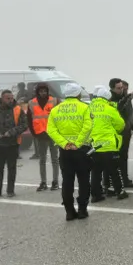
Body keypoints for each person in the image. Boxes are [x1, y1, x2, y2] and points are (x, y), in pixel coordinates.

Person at [46, 83, 93, 221]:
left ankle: (69, 211)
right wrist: (77, 143)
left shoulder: (56, 110)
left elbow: (51, 130)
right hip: (82, 150)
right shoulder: (85, 107)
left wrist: (65, 144)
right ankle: (83, 210)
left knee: (67, 181)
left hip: (65, 151)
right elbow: (88, 127)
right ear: (78, 94)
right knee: (84, 180)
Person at [0, 90, 28, 198]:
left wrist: (11, 132)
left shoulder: (18, 109)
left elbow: (24, 125)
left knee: (11, 168)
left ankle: (10, 190)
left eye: (11, 98)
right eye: (8, 98)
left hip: (12, 143)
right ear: (2, 98)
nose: (10, 100)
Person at [88, 86, 128, 202]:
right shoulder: (110, 108)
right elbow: (120, 124)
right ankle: (120, 191)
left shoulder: (89, 107)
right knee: (114, 170)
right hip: (109, 144)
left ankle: (96, 195)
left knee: (95, 172)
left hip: (94, 145)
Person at [26, 83, 60, 192]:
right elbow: (29, 120)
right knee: (42, 159)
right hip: (40, 135)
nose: (43, 93)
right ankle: (43, 182)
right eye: (41, 91)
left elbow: (60, 118)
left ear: (47, 91)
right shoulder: (31, 103)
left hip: (53, 134)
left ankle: (55, 182)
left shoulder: (54, 101)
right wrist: (34, 134)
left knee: (55, 159)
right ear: (37, 92)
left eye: (44, 91)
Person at [108, 79, 133, 190]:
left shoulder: (125, 98)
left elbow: (129, 114)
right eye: (119, 88)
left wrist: (131, 127)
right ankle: (116, 182)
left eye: (123, 88)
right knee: (116, 158)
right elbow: (118, 108)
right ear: (112, 88)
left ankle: (124, 179)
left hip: (126, 131)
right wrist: (127, 97)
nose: (122, 90)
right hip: (117, 132)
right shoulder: (111, 99)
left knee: (124, 156)